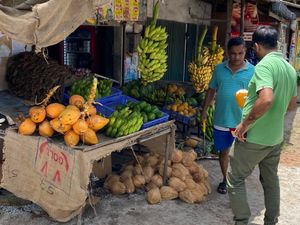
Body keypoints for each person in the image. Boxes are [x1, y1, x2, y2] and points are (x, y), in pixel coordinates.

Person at [228, 26, 298, 225]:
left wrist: (244, 124)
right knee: (270, 181)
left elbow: (266, 99)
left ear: (257, 46)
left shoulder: (264, 66)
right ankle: (271, 221)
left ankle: (241, 221)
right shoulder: (289, 69)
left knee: (235, 179)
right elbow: (292, 105)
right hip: (275, 139)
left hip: (254, 138)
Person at [201, 37, 254, 194]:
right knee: (223, 152)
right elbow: (211, 90)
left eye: (240, 53)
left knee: (240, 155)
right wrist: (204, 110)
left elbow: (258, 96)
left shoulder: (253, 71)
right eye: (233, 54)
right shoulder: (219, 69)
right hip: (222, 119)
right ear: (227, 53)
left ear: (245, 52)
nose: (236, 57)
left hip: (242, 121)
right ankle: (225, 180)